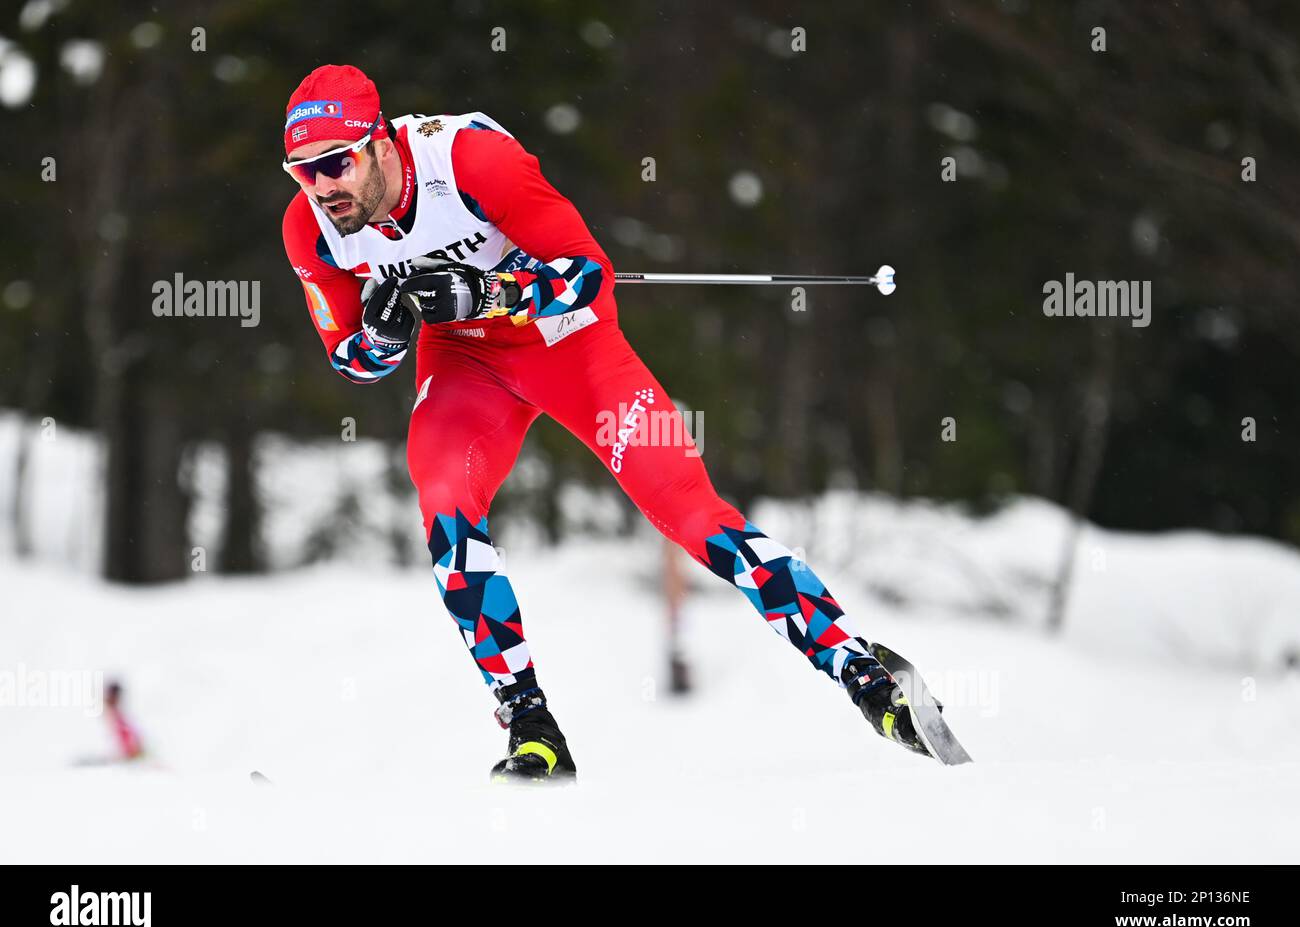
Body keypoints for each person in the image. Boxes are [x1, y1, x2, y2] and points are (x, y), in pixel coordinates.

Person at [281, 64, 931, 782]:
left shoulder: (467, 159)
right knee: (445, 510)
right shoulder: (310, 229)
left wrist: (488, 289)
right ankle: (533, 728)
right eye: (301, 171)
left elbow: (588, 274)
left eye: (335, 164)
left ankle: (866, 675)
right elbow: (352, 361)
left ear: (378, 142)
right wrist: (383, 333)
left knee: (695, 517)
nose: (321, 186)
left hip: (568, 340)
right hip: (466, 363)